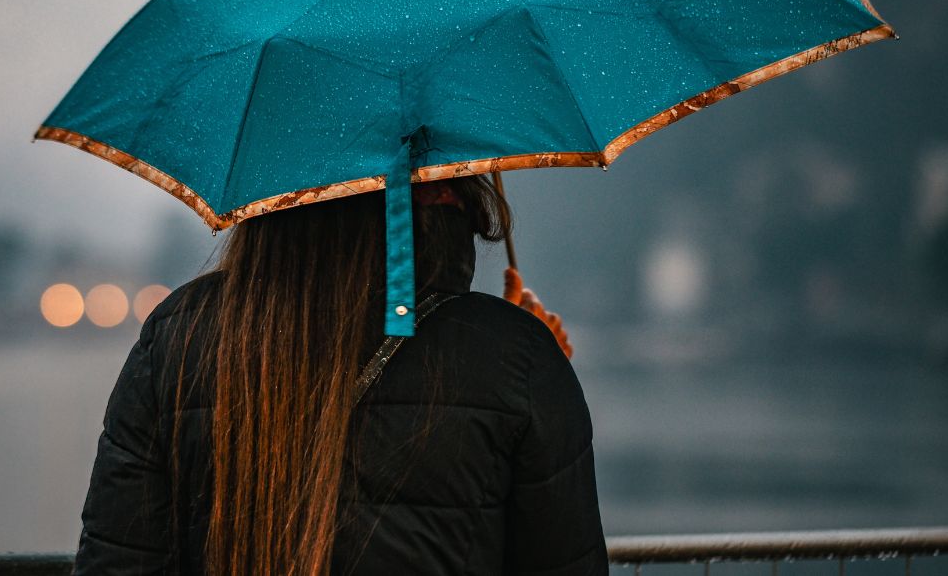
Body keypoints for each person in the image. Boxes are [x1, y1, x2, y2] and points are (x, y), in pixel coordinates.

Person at [73, 176, 608, 575]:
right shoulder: (517, 354)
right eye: (449, 183)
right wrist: (532, 367)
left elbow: (117, 563)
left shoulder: (178, 336)